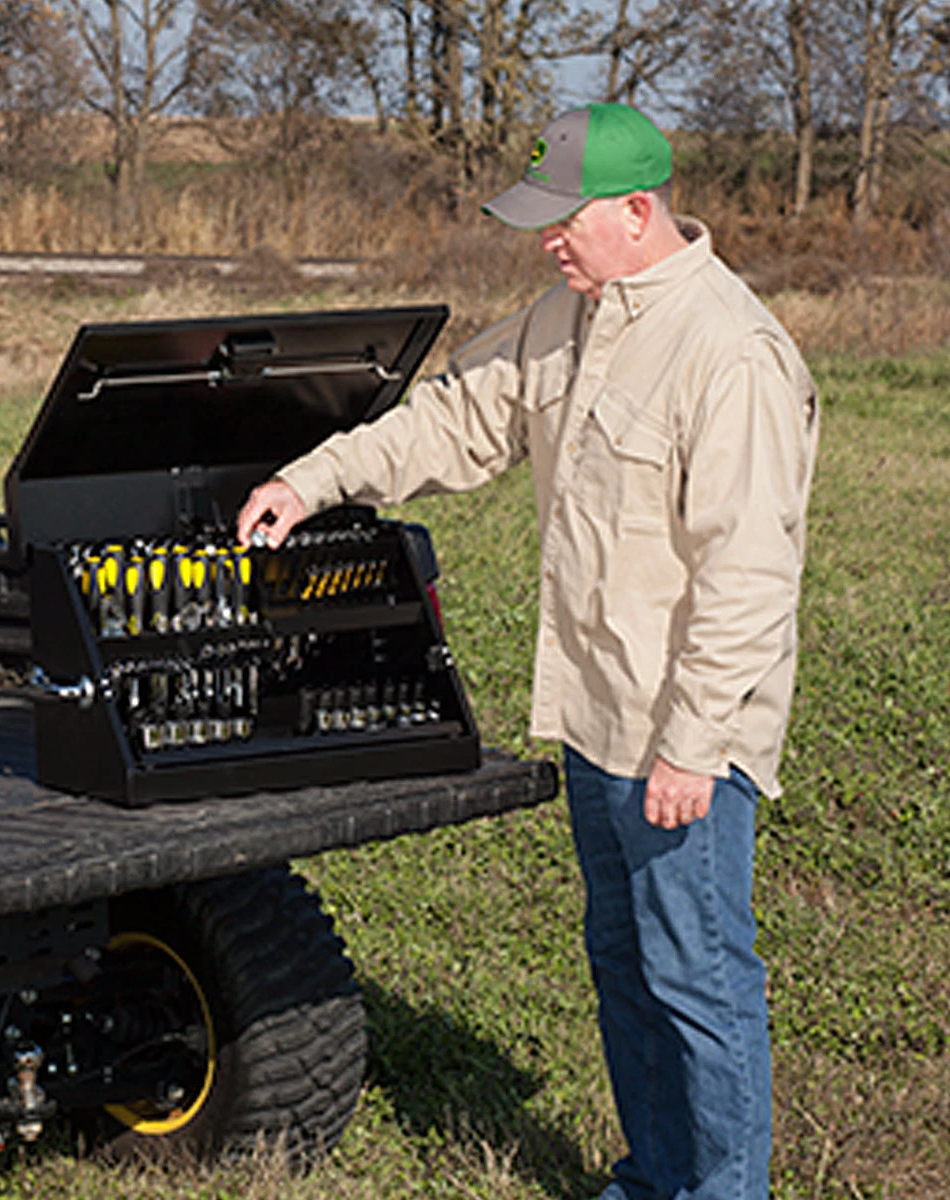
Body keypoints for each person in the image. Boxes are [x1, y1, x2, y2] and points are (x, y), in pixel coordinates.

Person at [237, 102, 818, 1200]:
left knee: (698, 977)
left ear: (639, 211)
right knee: (628, 966)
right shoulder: (571, 315)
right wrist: (312, 479)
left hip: (683, 733)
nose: (546, 239)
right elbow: (455, 419)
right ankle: (653, 1178)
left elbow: (748, 576)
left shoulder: (730, 352)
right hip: (600, 714)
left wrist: (694, 748)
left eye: (567, 219)